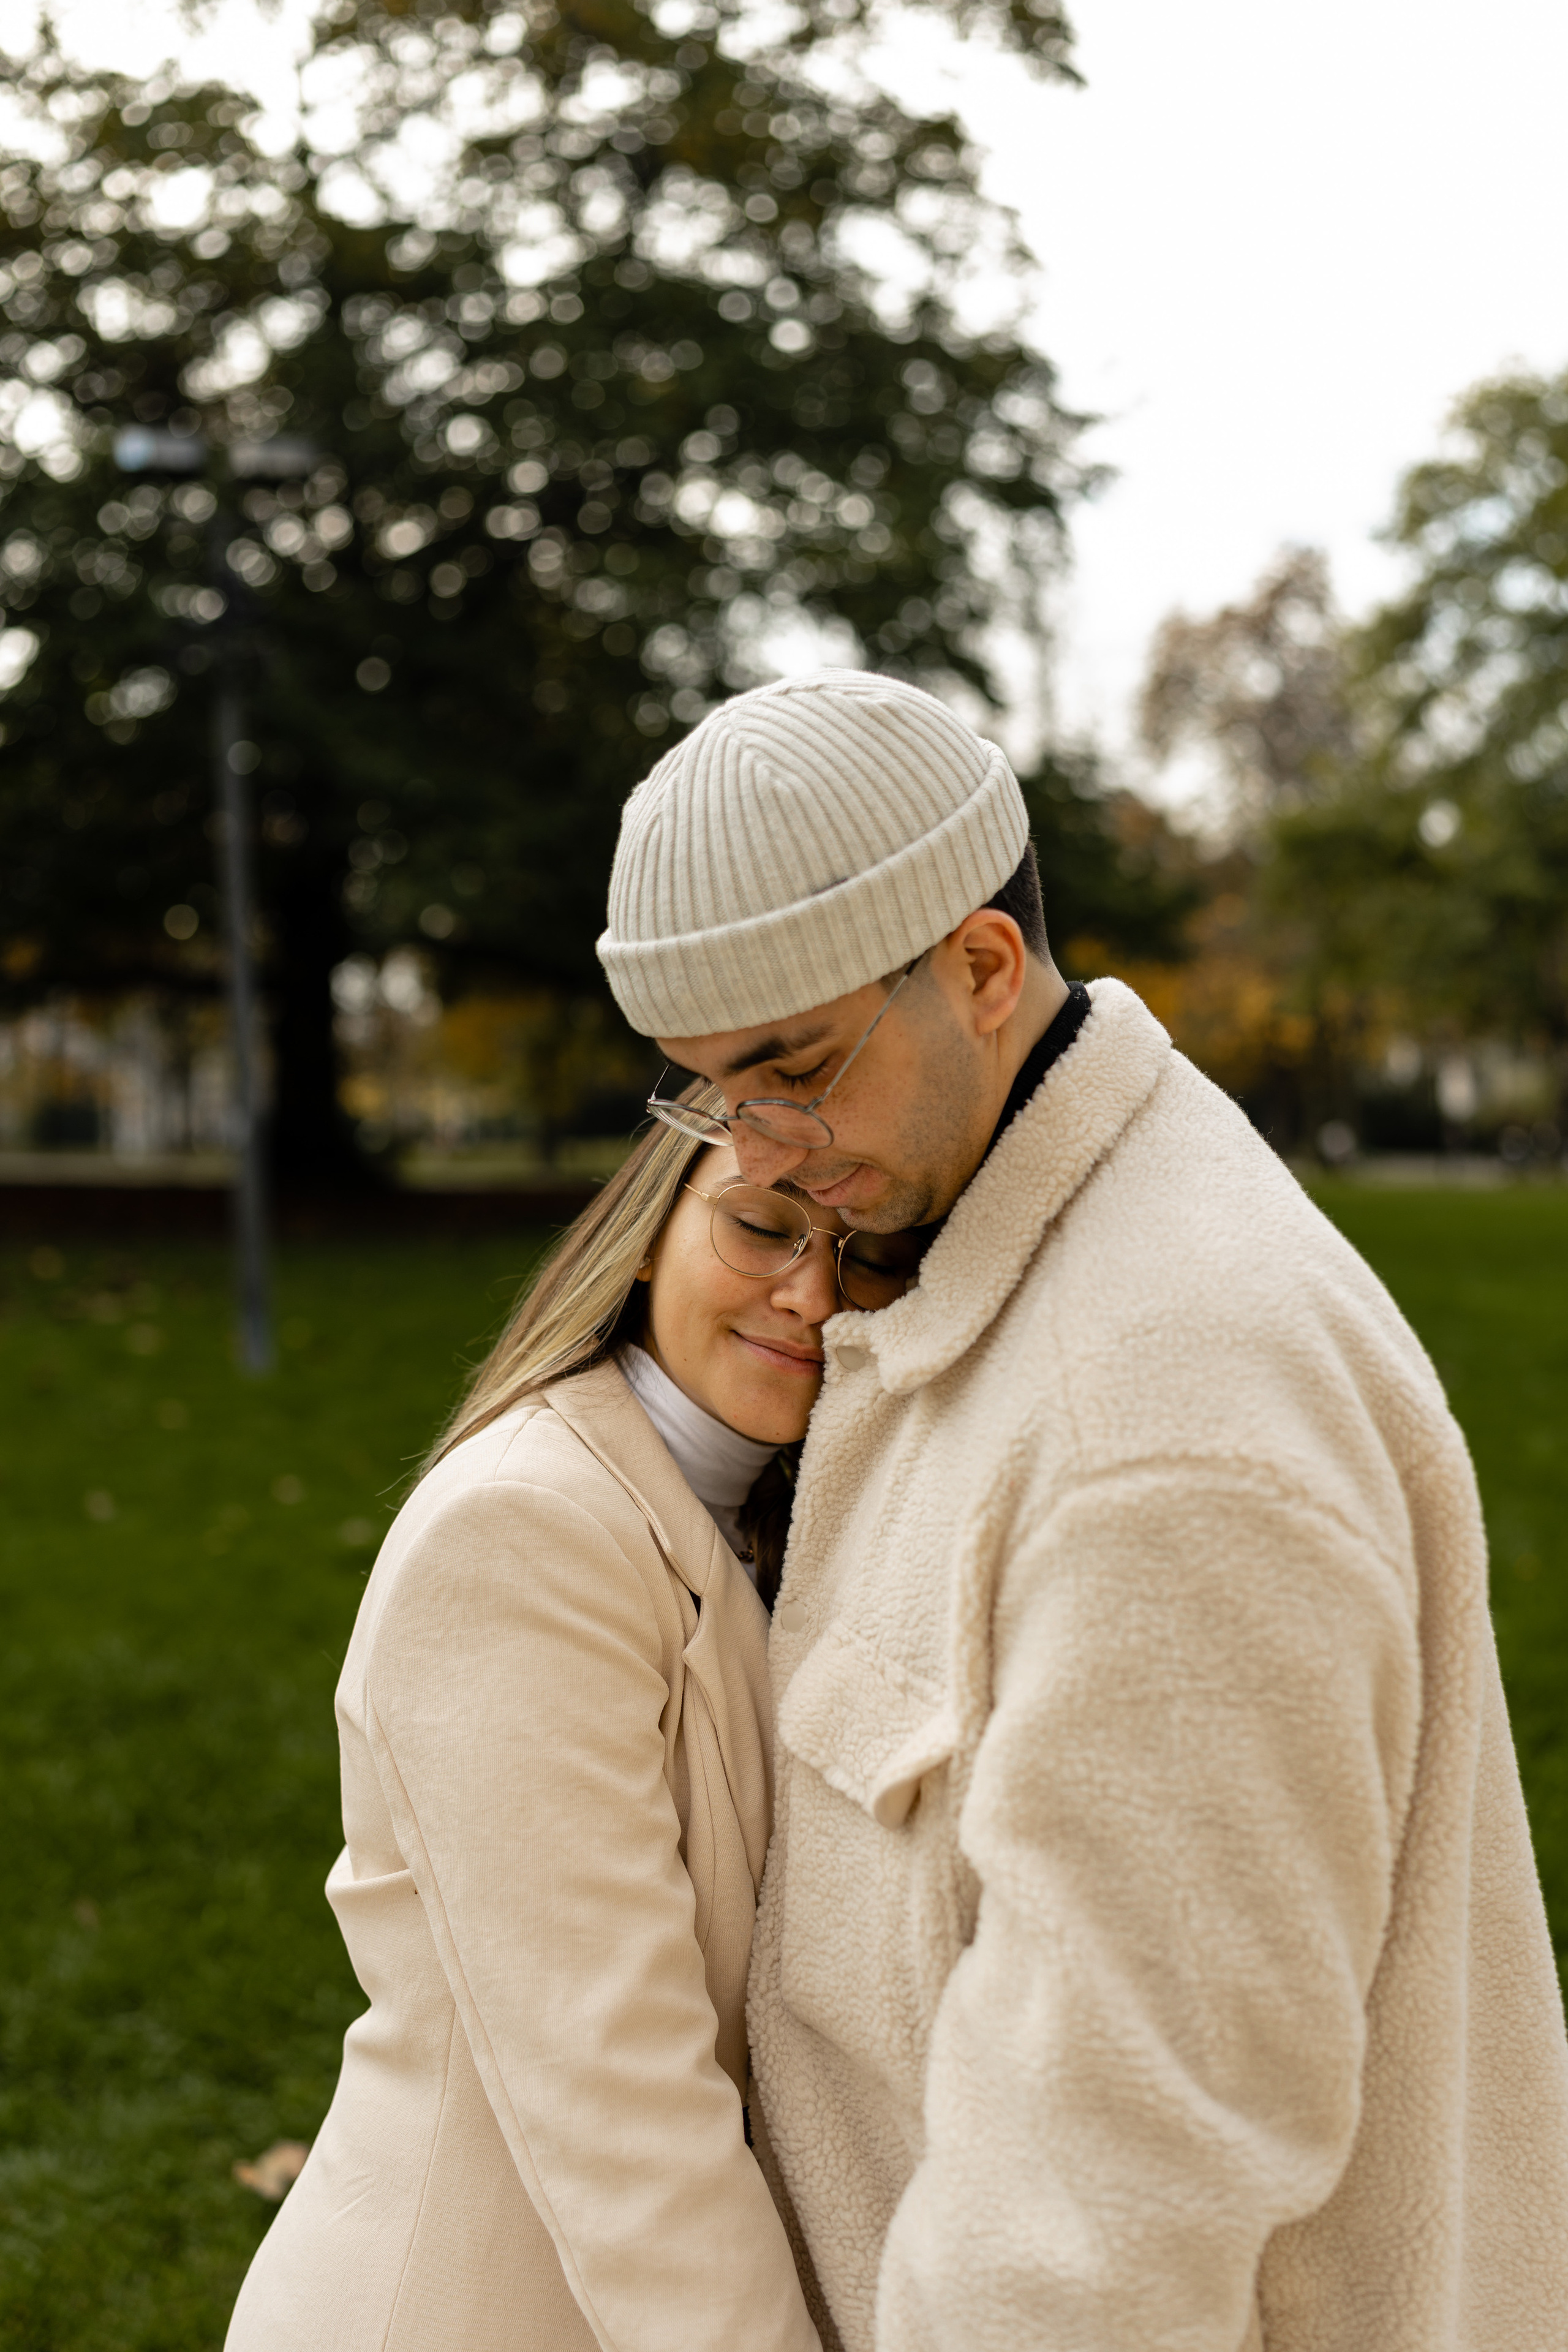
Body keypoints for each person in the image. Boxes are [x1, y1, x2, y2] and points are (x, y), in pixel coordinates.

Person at [597, 668, 1568, 2352]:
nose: (753, 1158)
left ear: (978, 968)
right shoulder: (990, 1264)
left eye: (792, 1068)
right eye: (704, 1090)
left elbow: (1114, 2197)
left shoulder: (1164, 1420)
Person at [225, 1097, 919, 2352]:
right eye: (763, 1228)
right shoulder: (525, 1534)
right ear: (652, 1230)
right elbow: (618, 2096)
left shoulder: (769, 1516)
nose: (810, 1297)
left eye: (859, 1254)